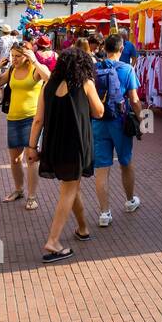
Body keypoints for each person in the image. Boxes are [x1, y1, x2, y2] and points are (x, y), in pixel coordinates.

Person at [26, 47, 105, 263]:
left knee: (72, 185)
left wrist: (32, 147)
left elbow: (38, 120)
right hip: (76, 143)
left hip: (53, 143)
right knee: (68, 190)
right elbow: (99, 112)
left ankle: (82, 228)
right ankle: (53, 241)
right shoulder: (86, 83)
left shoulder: (47, 85)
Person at [0, 41, 50, 209]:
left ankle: (32, 196)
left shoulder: (35, 70)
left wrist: (36, 61)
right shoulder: (12, 70)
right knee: (15, 159)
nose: (14, 59)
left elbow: (49, 78)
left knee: (31, 158)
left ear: (27, 56)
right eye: (12, 56)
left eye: (17, 56)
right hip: (13, 119)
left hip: (32, 119)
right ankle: (18, 190)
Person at [92, 33, 143, 227]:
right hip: (120, 122)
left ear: (105, 48)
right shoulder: (127, 69)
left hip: (98, 121)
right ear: (122, 50)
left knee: (102, 169)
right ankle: (130, 201)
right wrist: (142, 122)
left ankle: (104, 213)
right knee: (126, 162)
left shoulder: (94, 68)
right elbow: (134, 100)